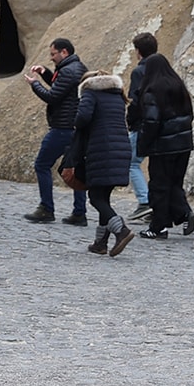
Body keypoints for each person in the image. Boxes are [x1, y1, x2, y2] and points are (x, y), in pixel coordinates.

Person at [69, 70, 136, 256]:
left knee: (96, 197)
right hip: (121, 148)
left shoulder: (90, 92)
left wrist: (74, 122)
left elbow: (83, 118)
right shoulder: (116, 95)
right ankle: (100, 243)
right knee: (103, 196)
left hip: (102, 148)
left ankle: (121, 230)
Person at [23, 38, 88, 225]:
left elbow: (52, 96)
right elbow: (61, 89)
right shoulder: (77, 68)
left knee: (42, 164)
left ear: (64, 52)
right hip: (74, 127)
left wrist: (35, 84)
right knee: (75, 169)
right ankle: (79, 212)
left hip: (62, 127)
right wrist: (46, 74)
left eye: (53, 54)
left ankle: (46, 208)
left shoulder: (68, 71)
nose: (51, 58)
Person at [135, 53, 194, 239]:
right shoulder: (179, 86)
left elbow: (152, 121)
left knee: (159, 185)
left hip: (163, 145)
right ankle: (183, 213)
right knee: (174, 183)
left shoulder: (153, 91)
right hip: (183, 144)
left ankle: (158, 226)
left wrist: (144, 144)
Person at [123, 32, 157, 222]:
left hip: (142, 124)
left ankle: (144, 202)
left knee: (132, 162)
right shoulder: (163, 69)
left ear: (138, 51)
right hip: (159, 124)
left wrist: (131, 121)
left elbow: (136, 100)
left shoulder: (139, 71)